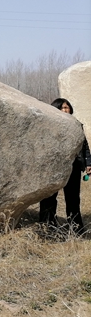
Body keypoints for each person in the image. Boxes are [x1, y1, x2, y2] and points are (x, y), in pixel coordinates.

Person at [39, 98, 91, 235]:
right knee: (49, 198)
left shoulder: (76, 125)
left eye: (66, 107)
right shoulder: (48, 125)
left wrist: (88, 163)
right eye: (61, 108)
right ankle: (47, 227)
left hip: (73, 167)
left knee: (73, 199)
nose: (64, 110)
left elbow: (84, 146)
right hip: (53, 168)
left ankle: (76, 229)